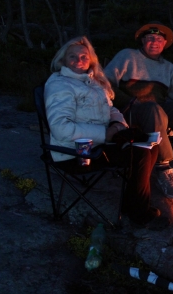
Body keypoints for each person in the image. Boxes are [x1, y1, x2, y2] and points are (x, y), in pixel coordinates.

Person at [44, 36, 166, 228]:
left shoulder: (92, 81)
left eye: (84, 56)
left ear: (91, 59)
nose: (79, 61)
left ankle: (132, 204)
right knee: (139, 154)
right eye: (72, 57)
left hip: (99, 144)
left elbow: (111, 109)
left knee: (150, 147)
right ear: (63, 61)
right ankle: (138, 212)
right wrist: (105, 133)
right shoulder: (60, 85)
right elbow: (60, 128)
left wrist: (119, 125)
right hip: (75, 153)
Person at [104, 22, 173, 200]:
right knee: (154, 110)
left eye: (159, 39)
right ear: (142, 41)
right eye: (150, 38)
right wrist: (127, 100)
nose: (155, 42)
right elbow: (104, 82)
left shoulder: (167, 68)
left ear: (165, 43)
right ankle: (163, 168)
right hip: (130, 112)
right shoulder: (127, 56)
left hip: (157, 113)